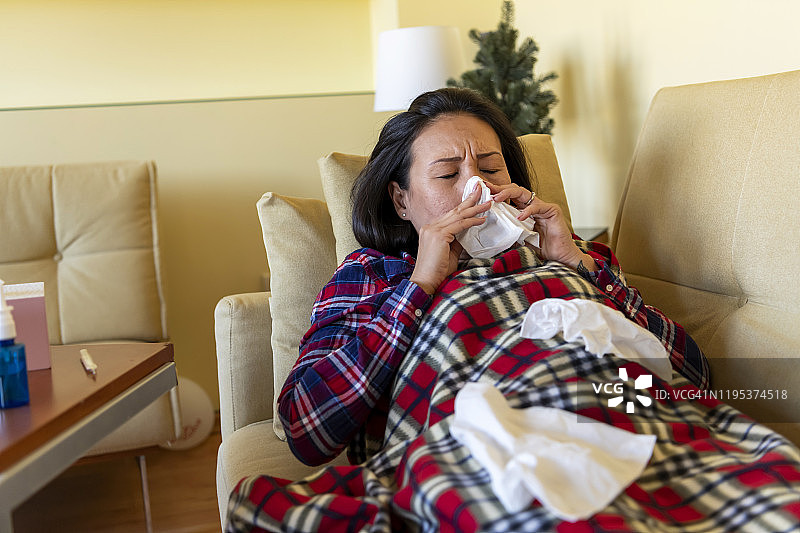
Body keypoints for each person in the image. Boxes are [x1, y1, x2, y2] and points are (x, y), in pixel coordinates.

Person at [277, 87, 709, 467]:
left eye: (491, 168)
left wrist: (575, 264)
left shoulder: (569, 254)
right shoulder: (372, 275)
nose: (477, 190)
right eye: (449, 174)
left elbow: (694, 377)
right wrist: (419, 288)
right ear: (401, 200)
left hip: (612, 430)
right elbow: (306, 429)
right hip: (476, 457)